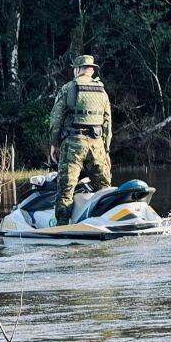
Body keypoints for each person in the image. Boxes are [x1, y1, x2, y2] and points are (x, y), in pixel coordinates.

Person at [49, 55, 112, 225]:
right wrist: (106, 150)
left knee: (66, 191)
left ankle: (63, 227)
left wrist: (54, 144)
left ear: (77, 69)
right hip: (97, 146)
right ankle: (107, 223)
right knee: (105, 189)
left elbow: (55, 119)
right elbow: (107, 123)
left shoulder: (68, 87)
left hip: (73, 146)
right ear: (91, 69)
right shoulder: (102, 90)